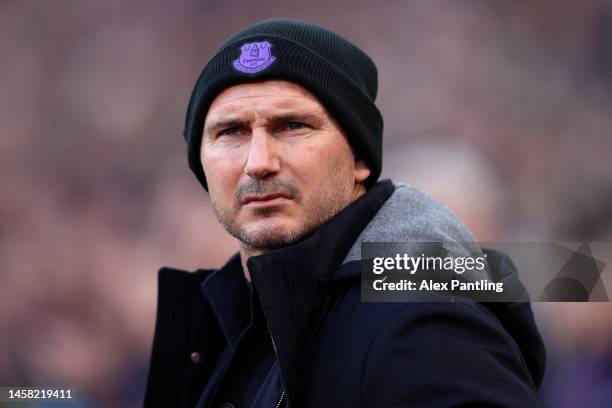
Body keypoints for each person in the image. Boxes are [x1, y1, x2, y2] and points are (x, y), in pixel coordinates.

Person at [144, 18, 545, 407]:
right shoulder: (232, 324)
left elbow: (585, 277)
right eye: (231, 131)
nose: (259, 162)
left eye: (293, 125)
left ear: (359, 159)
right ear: (201, 163)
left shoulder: (418, 320)